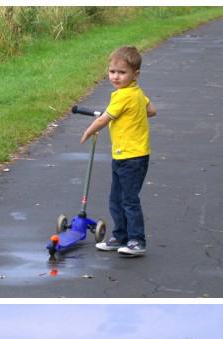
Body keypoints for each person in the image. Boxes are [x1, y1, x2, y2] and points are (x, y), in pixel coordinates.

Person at [80, 46, 157, 257]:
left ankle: (137, 241)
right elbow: (151, 110)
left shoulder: (122, 97)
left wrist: (88, 131)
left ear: (135, 74)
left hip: (132, 156)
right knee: (116, 198)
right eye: (112, 71)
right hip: (125, 155)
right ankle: (120, 236)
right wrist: (134, 116)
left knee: (128, 200)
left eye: (122, 72)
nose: (116, 76)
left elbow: (104, 119)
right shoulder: (136, 93)